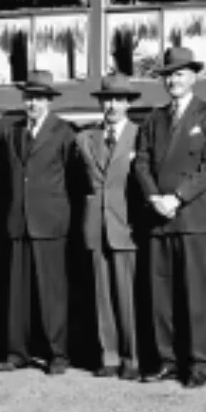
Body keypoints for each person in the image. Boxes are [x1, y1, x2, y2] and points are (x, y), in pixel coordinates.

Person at [132, 46, 206, 387]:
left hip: (194, 219)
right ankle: (165, 361)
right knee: (162, 295)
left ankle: (199, 364)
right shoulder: (153, 119)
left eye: (181, 73)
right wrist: (154, 196)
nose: (174, 79)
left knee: (196, 294)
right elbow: (140, 162)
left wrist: (178, 197)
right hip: (159, 218)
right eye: (169, 74)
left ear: (193, 77)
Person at [0, 70, 80, 376]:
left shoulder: (64, 132)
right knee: (16, 294)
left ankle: (58, 354)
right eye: (29, 98)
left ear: (49, 102)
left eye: (39, 98)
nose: (33, 103)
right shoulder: (11, 131)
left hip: (50, 223)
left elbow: (74, 179)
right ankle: (16, 353)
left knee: (52, 293)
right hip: (17, 221)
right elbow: (1, 176)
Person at [76, 73, 143, 382]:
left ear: (128, 103)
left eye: (118, 100)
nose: (112, 106)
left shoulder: (140, 136)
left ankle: (133, 357)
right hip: (95, 224)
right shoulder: (85, 138)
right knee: (101, 295)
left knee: (128, 295)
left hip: (126, 224)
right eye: (107, 100)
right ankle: (109, 355)